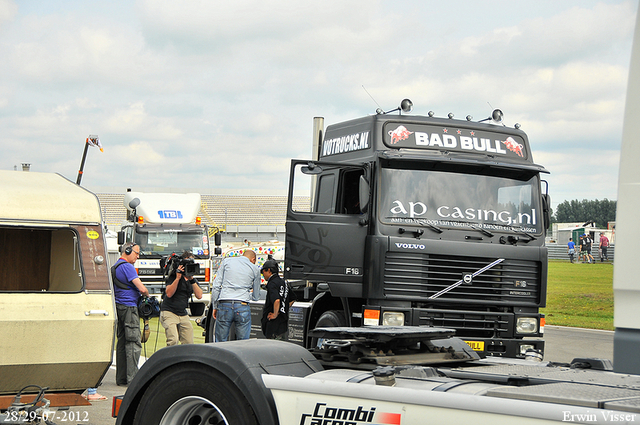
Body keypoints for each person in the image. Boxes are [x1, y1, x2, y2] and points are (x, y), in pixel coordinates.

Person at [113, 242, 149, 386]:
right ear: (128, 251)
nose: (138, 256)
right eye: (136, 253)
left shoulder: (115, 266)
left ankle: (121, 378)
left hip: (118, 305)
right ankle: (133, 379)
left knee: (121, 342)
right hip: (129, 307)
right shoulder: (128, 267)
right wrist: (147, 293)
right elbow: (141, 288)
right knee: (133, 342)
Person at [211, 249, 261, 341]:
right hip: (242, 304)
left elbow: (216, 286)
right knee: (242, 342)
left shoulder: (227, 262)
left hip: (225, 302)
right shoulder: (255, 269)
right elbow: (256, 296)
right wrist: (248, 293)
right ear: (253, 259)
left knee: (220, 341)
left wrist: (215, 305)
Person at [160, 251, 203, 346]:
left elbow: (199, 295)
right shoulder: (173, 276)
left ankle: (186, 359)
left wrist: (191, 279)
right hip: (169, 311)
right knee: (173, 340)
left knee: (188, 342)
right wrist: (178, 278)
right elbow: (169, 293)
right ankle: (170, 359)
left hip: (182, 313)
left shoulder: (192, 280)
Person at [260, 259, 295, 340]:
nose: (263, 275)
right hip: (283, 322)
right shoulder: (283, 282)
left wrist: (275, 313)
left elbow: (277, 300)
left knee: (272, 349)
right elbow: (292, 298)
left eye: (263, 272)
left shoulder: (272, 283)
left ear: (269, 270)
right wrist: (283, 308)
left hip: (273, 325)